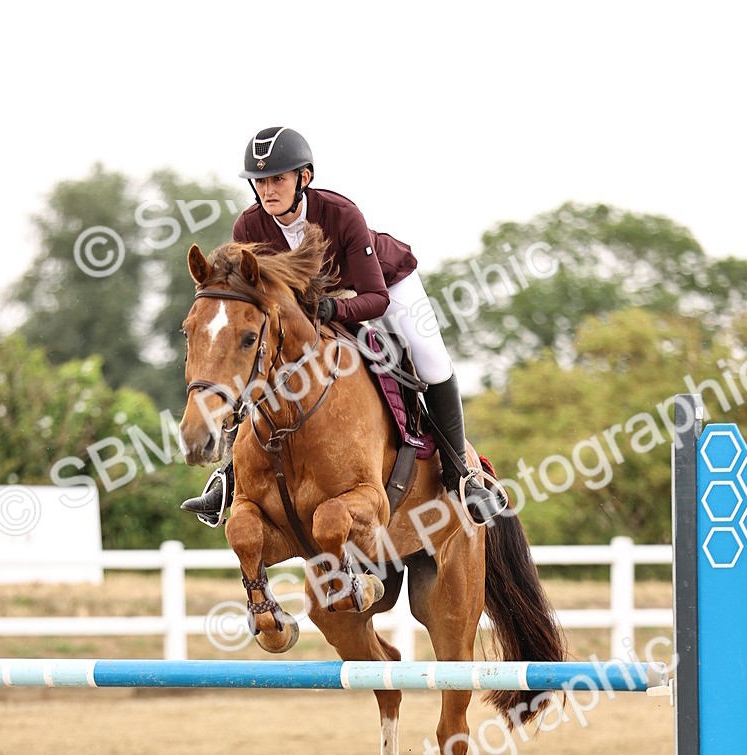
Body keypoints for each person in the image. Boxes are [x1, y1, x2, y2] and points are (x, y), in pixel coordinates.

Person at [182, 126, 507, 525]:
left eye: (277, 179)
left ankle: (463, 475)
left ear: (304, 178)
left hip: (382, 285)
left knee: (430, 358)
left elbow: (377, 298)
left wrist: (334, 311)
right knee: (256, 365)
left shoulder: (341, 213)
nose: (268, 190)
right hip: (313, 307)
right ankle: (228, 478)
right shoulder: (249, 228)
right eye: (261, 181)